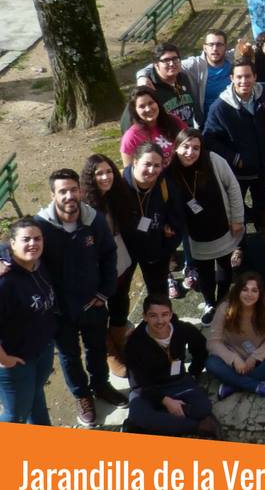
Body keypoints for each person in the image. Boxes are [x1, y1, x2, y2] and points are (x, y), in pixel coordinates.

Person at [36, 168, 123, 427]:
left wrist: (104, 292)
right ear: (52, 195)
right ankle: (82, 395)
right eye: (62, 191)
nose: (69, 196)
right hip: (60, 310)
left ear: (81, 191)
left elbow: (109, 254)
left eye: (73, 189)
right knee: (69, 356)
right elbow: (18, 247)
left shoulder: (94, 220)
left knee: (97, 349)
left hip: (92, 303)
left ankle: (101, 385)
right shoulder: (40, 225)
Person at [168, 129, 244, 325]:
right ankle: (210, 303)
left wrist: (237, 218)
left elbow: (233, 187)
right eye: (185, 147)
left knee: (225, 267)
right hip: (195, 234)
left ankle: (224, 300)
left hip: (223, 227)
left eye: (196, 148)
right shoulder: (170, 171)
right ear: (176, 147)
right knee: (204, 271)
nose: (190, 152)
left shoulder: (213, 160)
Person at [124, 294, 221, 439]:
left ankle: (148, 426)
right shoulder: (134, 342)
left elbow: (201, 348)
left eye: (164, 314)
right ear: (144, 317)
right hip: (148, 388)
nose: (160, 321)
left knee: (203, 407)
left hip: (178, 382)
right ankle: (198, 426)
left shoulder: (182, 329)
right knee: (139, 414)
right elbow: (138, 385)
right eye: (153, 315)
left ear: (170, 314)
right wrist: (165, 401)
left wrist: (194, 372)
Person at [80, 154, 135, 378]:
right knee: (99, 310)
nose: (105, 177)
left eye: (109, 171)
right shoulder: (83, 207)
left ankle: (120, 337)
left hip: (122, 260)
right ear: (90, 178)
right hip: (98, 268)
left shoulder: (117, 195)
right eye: (99, 173)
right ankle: (110, 351)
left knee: (120, 301)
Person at [0, 218, 57, 424]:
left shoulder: (38, 266)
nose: (33, 244)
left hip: (41, 351)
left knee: (35, 396)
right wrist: (4, 359)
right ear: (12, 244)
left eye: (37, 238)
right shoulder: (5, 281)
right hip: (16, 361)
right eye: (26, 239)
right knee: (16, 415)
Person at [203, 58, 265, 222]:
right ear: (231, 78)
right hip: (237, 173)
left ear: (255, 77)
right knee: (236, 213)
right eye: (239, 77)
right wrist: (235, 158)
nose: (244, 81)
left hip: (263, 169)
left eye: (248, 76)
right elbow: (209, 140)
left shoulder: (264, 93)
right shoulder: (219, 107)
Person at [206, 272, 265, 400]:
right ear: (237, 290)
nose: (249, 294)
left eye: (254, 290)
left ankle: (233, 383)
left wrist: (256, 356)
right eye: (245, 289)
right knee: (211, 364)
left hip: (260, 354)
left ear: (260, 293)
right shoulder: (225, 308)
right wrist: (233, 358)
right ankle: (257, 386)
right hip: (234, 354)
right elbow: (213, 342)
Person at [122, 143, 185, 295]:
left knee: (158, 291)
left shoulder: (166, 184)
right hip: (125, 250)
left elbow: (178, 219)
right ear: (135, 162)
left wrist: (166, 248)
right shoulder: (120, 184)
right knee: (120, 293)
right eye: (147, 164)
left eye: (157, 165)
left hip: (155, 249)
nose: (152, 170)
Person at [137, 30, 231, 119]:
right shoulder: (193, 65)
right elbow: (158, 64)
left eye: (219, 44)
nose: (215, 48)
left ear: (225, 47)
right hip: (208, 120)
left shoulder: (233, 59)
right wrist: (142, 76)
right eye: (211, 44)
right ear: (204, 47)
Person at [123, 42, 201, 131]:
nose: (172, 63)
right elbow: (128, 123)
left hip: (187, 135)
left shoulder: (184, 78)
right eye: (166, 60)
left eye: (175, 59)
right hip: (164, 137)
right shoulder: (147, 87)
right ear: (156, 64)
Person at [119, 87, 185, 167]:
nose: (148, 109)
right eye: (142, 106)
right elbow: (128, 171)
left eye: (151, 103)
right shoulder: (131, 137)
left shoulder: (174, 121)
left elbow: (191, 141)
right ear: (135, 110)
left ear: (157, 103)